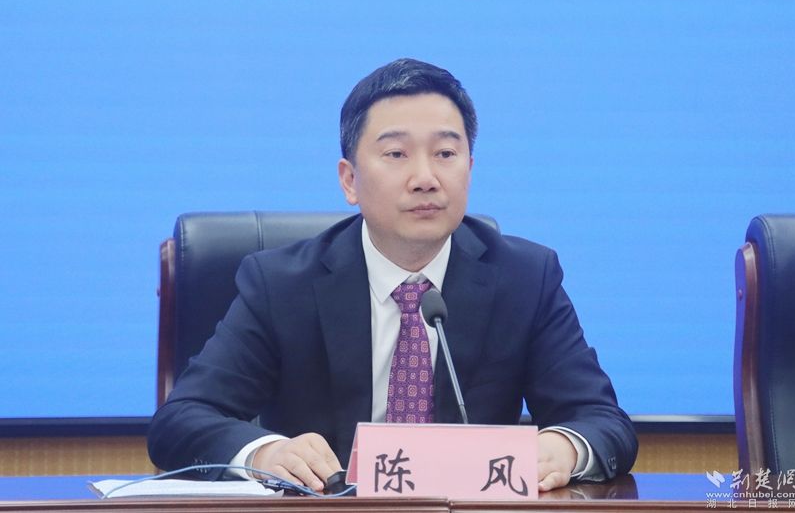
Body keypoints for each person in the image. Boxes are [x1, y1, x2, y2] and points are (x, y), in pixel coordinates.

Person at [147, 58, 638, 493]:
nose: (425, 178)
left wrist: (564, 447)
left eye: (446, 154)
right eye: (396, 154)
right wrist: (266, 454)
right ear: (349, 180)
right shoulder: (280, 284)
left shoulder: (526, 279)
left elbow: (603, 421)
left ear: (469, 167)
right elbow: (180, 421)